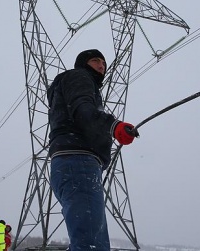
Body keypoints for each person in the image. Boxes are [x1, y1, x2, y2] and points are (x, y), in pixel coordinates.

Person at [47, 49, 138, 251]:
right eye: (95, 60)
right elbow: (83, 109)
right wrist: (113, 126)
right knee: (91, 245)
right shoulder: (79, 77)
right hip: (79, 162)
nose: (101, 66)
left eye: (104, 63)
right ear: (83, 64)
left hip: (70, 165)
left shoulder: (70, 83)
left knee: (88, 241)